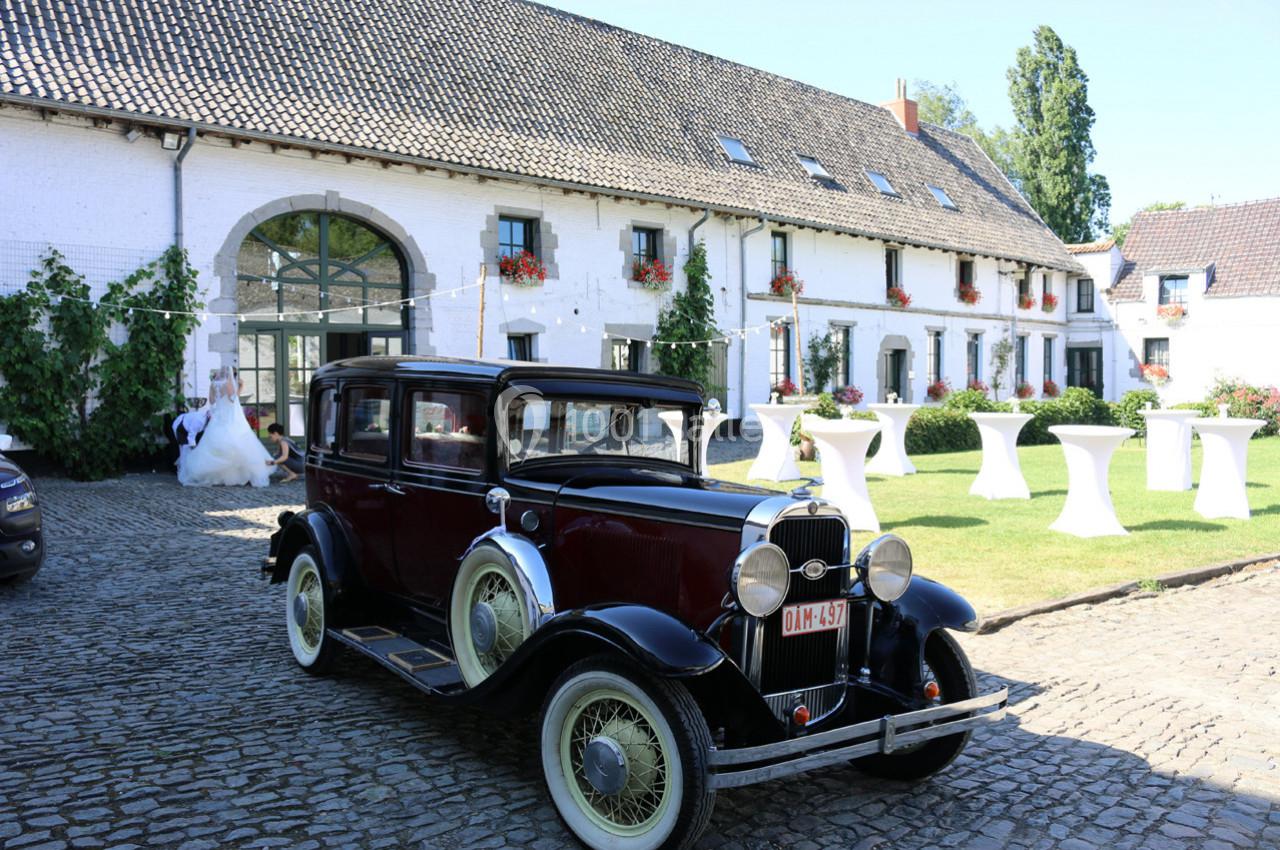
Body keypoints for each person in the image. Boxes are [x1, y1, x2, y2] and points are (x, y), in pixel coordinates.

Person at [177, 366, 274, 487]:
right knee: (237, 441)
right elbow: (233, 399)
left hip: (218, 417)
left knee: (215, 444)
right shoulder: (227, 383)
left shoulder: (213, 384)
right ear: (230, 374)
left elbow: (212, 401)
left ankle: (218, 475)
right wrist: (241, 387)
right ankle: (239, 474)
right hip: (230, 416)